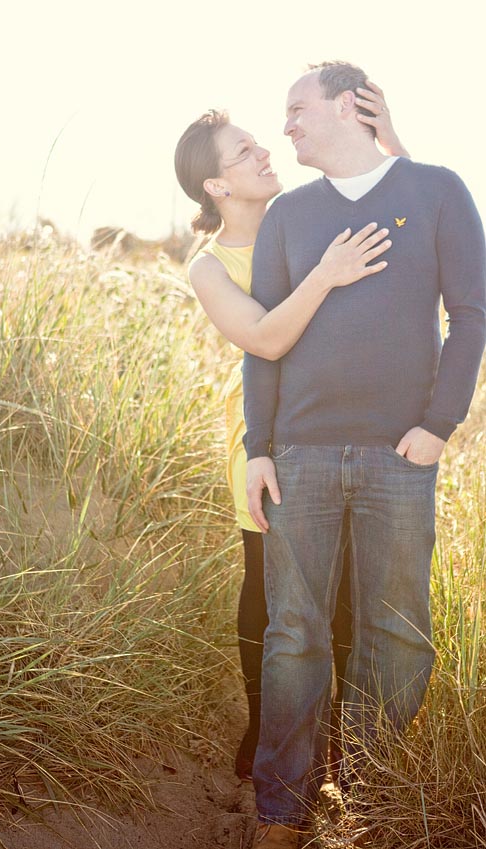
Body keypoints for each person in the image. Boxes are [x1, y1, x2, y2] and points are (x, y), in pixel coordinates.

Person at [243, 61, 486, 848]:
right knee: (295, 635)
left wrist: (439, 425)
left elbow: (471, 317)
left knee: (397, 634)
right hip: (301, 456)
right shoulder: (286, 215)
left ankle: (367, 797)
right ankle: (281, 809)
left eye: (296, 109)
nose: (285, 126)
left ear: (349, 106)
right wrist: (258, 447)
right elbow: (264, 343)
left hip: (399, 458)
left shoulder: (439, 189)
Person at [173, 83, 408, 783]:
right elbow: (264, 338)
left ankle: (342, 743)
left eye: (258, 141)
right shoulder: (209, 267)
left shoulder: (311, 215)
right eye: (245, 150)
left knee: (345, 596)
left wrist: (390, 140)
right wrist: (328, 276)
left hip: (350, 431)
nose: (263, 150)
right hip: (263, 444)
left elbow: (409, 212)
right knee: (269, 591)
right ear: (216, 184)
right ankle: (265, 719)